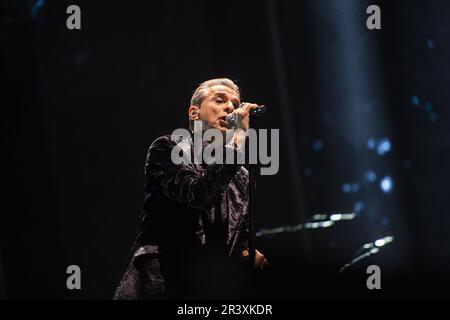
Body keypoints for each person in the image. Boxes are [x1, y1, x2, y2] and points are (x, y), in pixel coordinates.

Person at [113, 78, 268, 300]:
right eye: (220, 100)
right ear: (194, 113)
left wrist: (246, 254)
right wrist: (239, 139)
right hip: (163, 281)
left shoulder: (241, 175)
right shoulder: (169, 148)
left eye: (235, 104)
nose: (231, 108)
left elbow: (237, 237)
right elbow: (197, 195)